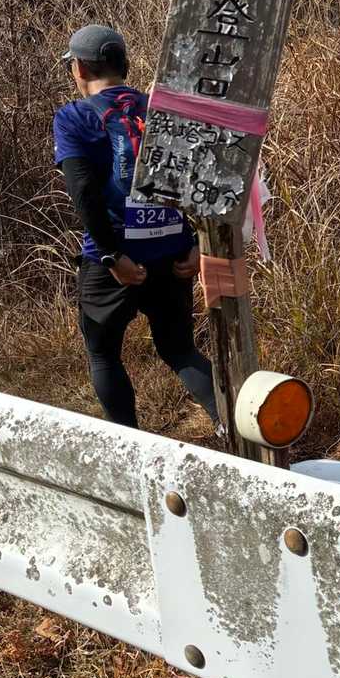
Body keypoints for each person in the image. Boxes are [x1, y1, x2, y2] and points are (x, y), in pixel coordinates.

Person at [54, 23, 219, 430]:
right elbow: (201, 180)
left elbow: (84, 194)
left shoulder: (74, 117)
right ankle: (236, 431)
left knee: (103, 354)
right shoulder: (161, 111)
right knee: (180, 350)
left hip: (112, 260)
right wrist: (198, 243)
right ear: (124, 64)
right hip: (173, 252)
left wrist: (112, 256)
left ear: (80, 69)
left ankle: (129, 448)